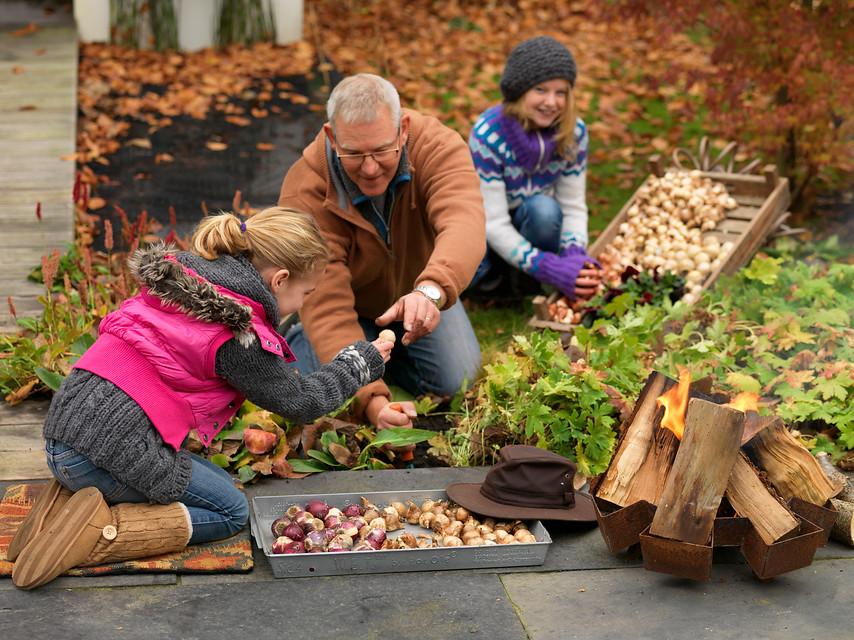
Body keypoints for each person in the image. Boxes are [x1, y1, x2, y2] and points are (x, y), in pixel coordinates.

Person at [10, 206, 393, 590]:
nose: (304, 305)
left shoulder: (184, 282)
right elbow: (301, 402)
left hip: (65, 437)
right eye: (306, 293)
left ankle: (64, 505)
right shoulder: (236, 329)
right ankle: (99, 531)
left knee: (217, 481)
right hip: (103, 455)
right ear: (279, 280)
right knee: (230, 510)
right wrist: (360, 363)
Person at [278, 73, 485, 439]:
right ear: (331, 137)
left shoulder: (438, 146)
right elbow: (327, 304)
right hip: (347, 306)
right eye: (355, 154)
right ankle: (304, 338)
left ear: (403, 130)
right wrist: (372, 401)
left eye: (381, 151)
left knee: (457, 380)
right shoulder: (305, 191)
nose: (370, 167)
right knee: (318, 391)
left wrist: (431, 292)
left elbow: (463, 223)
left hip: (418, 295)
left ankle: (384, 346)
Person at [467, 35, 603, 301]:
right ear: (519, 91)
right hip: (485, 226)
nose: (551, 102)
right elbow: (493, 223)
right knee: (474, 269)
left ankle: (526, 281)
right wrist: (549, 268)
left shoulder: (573, 133)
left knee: (544, 210)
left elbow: (573, 205)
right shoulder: (489, 135)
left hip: (532, 220)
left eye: (560, 92)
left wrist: (575, 257)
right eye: (540, 90)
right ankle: (497, 285)